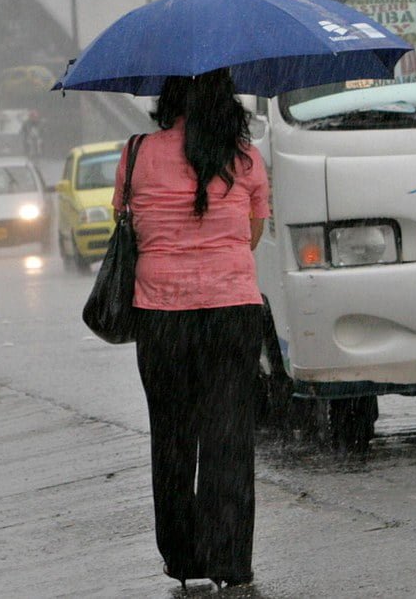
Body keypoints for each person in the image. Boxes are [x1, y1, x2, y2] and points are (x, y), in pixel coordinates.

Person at [113, 68, 269, 589]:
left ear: (168, 98)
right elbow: (252, 235)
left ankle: (185, 562)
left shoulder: (137, 153)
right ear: (227, 101)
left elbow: (128, 222)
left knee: (173, 439)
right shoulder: (245, 159)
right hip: (232, 312)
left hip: (162, 316)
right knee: (228, 440)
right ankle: (229, 562)